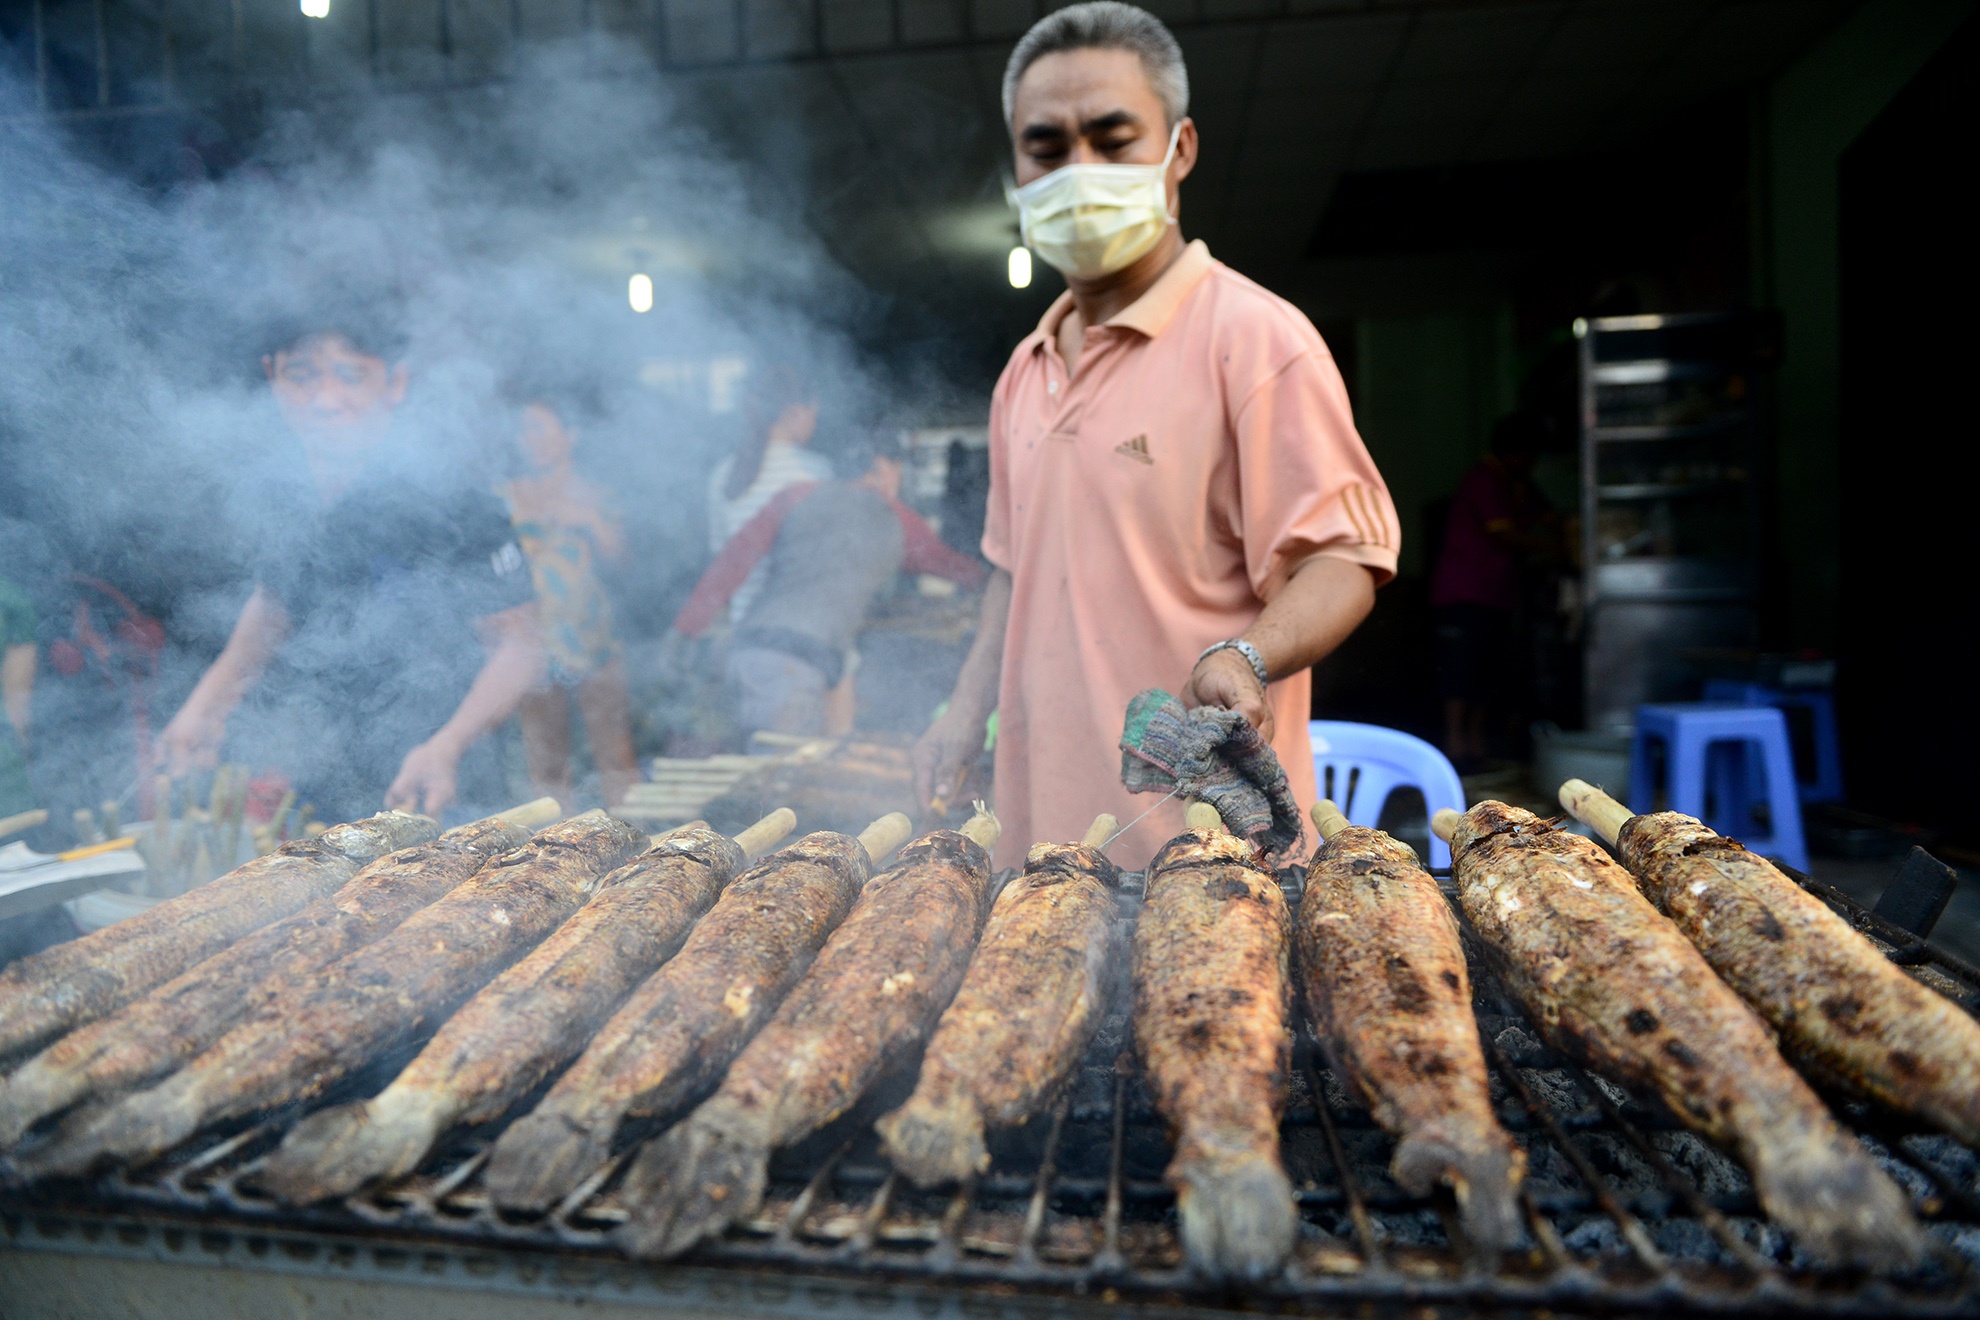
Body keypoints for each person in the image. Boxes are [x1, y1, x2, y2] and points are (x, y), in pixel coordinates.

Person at [912, 1, 1400, 867]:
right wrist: (961, 712)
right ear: (1017, 169)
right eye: (1048, 148)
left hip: (1213, 865)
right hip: (1045, 850)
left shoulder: (1256, 342)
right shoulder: (1024, 371)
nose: (1079, 169)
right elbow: (1010, 571)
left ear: (1179, 149)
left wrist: (1246, 655)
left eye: (1112, 138)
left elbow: (1346, 558)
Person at [156, 313, 543, 821]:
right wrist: (204, 707)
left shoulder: (448, 492)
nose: (325, 398)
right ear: (272, 377)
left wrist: (447, 746)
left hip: (444, 791)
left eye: (350, 375)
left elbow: (523, 642)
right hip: (328, 783)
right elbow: (273, 607)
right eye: (303, 376)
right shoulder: (284, 494)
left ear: (396, 382)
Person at [673, 435, 987, 738]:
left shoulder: (796, 494)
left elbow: (732, 562)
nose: (898, 480)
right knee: (780, 776)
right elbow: (952, 566)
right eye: (897, 469)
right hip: (788, 661)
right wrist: (999, 581)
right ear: (881, 467)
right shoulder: (898, 517)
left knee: (825, 762)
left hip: (769, 652)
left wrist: (687, 629)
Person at [502, 394, 640, 808]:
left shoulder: (598, 496)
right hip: (532, 643)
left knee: (614, 753)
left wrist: (591, 521)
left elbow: (625, 564)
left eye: (538, 428)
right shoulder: (504, 497)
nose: (527, 439)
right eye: (522, 429)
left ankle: (631, 836)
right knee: (545, 760)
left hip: (593, 641)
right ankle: (553, 846)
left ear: (571, 435)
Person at [1427, 414, 1558, 769]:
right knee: (1460, 671)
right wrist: (1555, 549)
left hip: (1494, 596)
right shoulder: (1484, 481)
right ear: (1514, 452)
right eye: (1530, 453)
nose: (1534, 462)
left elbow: (1548, 515)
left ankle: (1475, 745)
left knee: (1486, 672)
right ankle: (1457, 746)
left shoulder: (1516, 484)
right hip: (1464, 593)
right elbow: (1504, 535)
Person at [704, 365, 833, 622]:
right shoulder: (815, 471)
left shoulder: (722, 476)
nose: (815, 424)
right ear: (795, 413)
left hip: (746, 635)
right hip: (803, 631)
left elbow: (722, 561)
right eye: (813, 414)